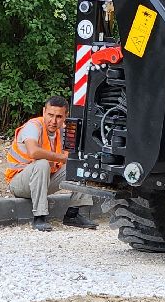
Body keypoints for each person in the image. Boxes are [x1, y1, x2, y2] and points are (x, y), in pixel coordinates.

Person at [6, 97, 97, 232]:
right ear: (44, 112)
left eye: (59, 117)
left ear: (66, 116)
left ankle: (73, 214)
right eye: (50, 115)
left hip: (44, 181)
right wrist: (62, 158)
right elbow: (33, 152)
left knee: (79, 164)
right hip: (19, 183)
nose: (53, 121)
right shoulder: (33, 126)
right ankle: (39, 216)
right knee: (42, 163)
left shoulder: (64, 130)